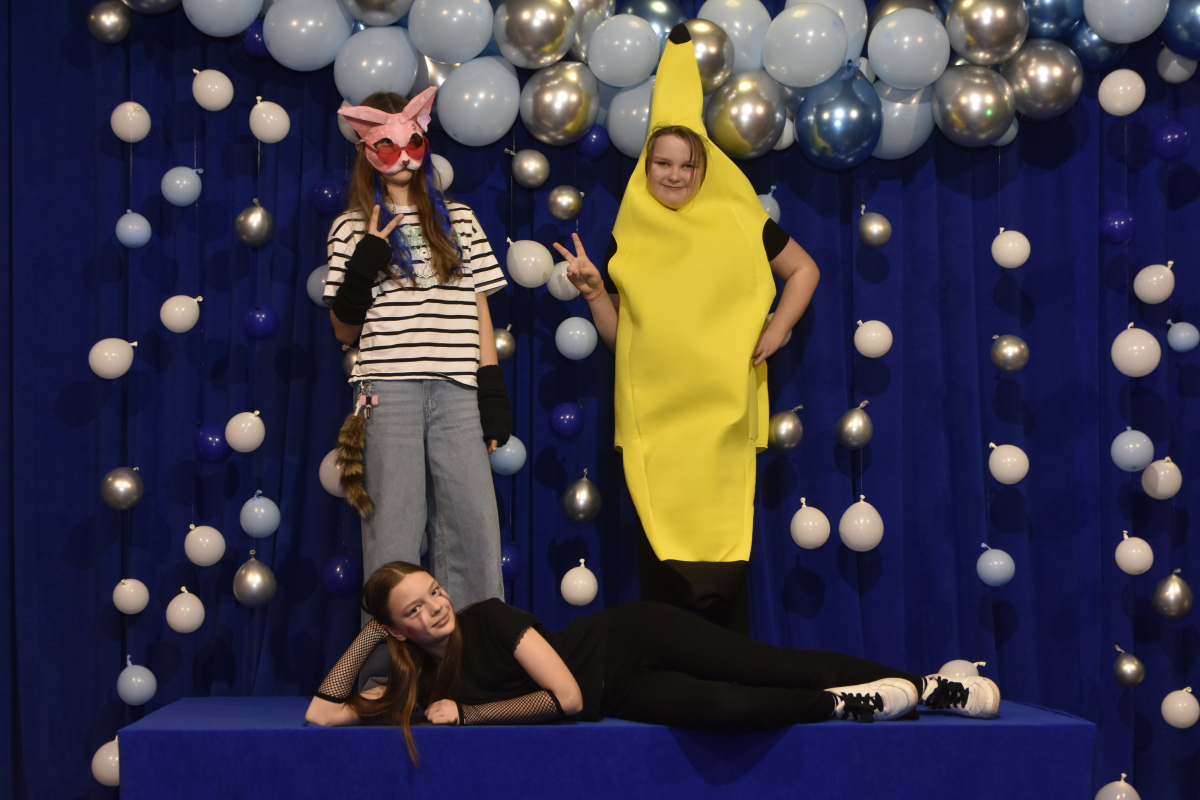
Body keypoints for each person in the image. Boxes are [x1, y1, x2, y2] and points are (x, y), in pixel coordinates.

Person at [552, 25, 821, 634]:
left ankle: (729, 675)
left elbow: (804, 270)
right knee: (664, 567)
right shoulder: (628, 236)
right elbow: (622, 341)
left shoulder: (741, 221)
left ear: (705, 168)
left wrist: (777, 331)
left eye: (687, 165)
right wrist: (593, 292)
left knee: (722, 562)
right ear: (646, 166)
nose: (673, 176)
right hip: (655, 424)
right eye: (662, 163)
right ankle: (672, 677)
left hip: (721, 420)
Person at [305, 563, 1001, 763]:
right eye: (414, 609)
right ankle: (849, 705)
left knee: (771, 665)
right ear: (397, 628)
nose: (435, 608)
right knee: (723, 712)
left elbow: (566, 698)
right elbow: (322, 713)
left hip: (629, 641)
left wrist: (468, 717)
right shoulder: (419, 679)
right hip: (621, 693)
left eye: (433, 591)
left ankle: (928, 685)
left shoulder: (487, 616)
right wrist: (368, 638)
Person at [323, 88, 509, 610]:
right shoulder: (349, 227)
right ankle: (389, 660)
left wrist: (492, 392)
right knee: (393, 538)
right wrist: (367, 258)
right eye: (386, 145)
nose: (402, 156)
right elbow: (342, 331)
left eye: (413, 141)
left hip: (458, 392)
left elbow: (480, 311)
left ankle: (476, 655)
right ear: (366, 150)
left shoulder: (461, 219)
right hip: (388, 391)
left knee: (474, 531)